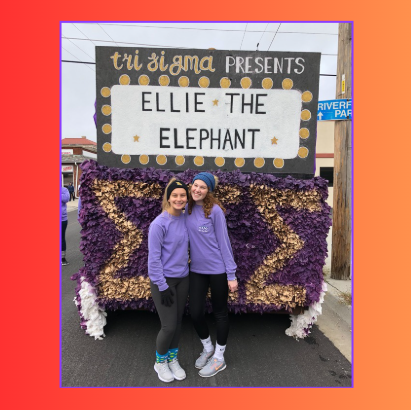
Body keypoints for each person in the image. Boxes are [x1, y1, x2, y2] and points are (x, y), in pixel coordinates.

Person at [186, 172, 238, 378]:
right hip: (196, 270)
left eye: (203, 187)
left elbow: (224, 243)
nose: (197, 189)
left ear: (208, 191)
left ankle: (219, 356)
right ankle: (208, 348)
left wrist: (231, 274)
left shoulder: (215, 211)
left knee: (220, 313)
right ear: (191, 186)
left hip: (218, 270)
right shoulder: (186, 209)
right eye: (195, 185)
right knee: (195, 312)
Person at [148, 178, 190, 383]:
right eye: (175, 195)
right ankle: (160, 362)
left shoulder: (186, 217)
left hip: (183, 278)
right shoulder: (159, 224)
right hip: (163, 282)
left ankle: (173, 359)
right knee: (168, 326)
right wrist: (162, 286)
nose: (179, 199)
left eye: (182, 195)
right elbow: (153, 259)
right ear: (168, 197)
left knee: (179, 322)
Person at [61, 186, 70, 266]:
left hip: (62, 219)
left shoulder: (64, 189)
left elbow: (66, 199)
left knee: (61, 238)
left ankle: (62, 258)